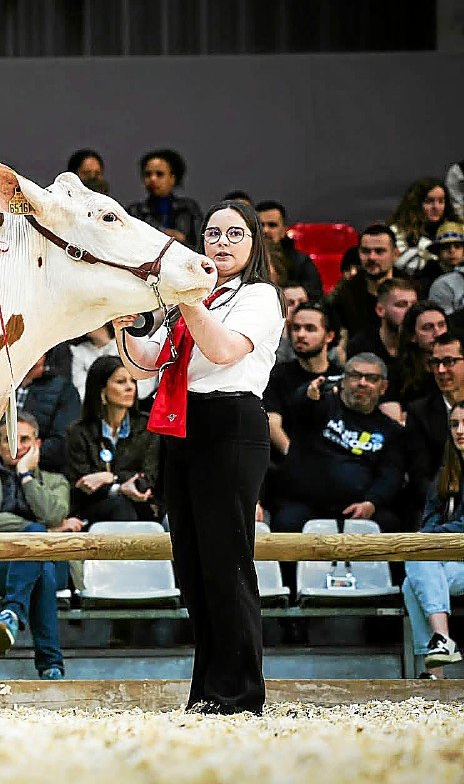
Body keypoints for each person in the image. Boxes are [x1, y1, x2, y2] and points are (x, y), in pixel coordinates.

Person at [115, 199, 284, 714]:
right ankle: (208, 694)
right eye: (213, 234)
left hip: (230, 423)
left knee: (226, 561)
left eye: (235, 234)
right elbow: (146, 363)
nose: (221, 243)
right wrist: (125, 326)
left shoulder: (259, 296)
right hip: (182, 425)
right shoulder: (200, 299)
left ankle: (239, 694)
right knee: (191, 564)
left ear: (254, 244)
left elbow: (225, 351)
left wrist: (189, 300)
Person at [0, 412, 76, 680]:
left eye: (24, 439)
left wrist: (25, 475)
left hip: (53, 564)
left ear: (37, 444)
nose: (16, 446)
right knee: (39, 561)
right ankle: (51, 667)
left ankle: (11, 612)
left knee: (43, 566)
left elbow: (54, 513)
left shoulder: (55, 481)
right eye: (9, 439)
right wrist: (38, 532)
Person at [273, 353, 407, 534]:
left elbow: (391, 474)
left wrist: (372, 502)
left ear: (383, 387)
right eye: (354, 376)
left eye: (371, 378)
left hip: (359, 508)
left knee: (390, 525)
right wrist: (309, 394)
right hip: (307, 504)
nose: (362, 382)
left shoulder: (390, 430)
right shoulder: (322, 405)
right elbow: (300, 405)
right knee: (286, 522)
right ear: (343, 380)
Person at [402, 400, 464, 677]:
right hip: (450, 563)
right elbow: (429, 520)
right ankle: (439, 654)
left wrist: (427, 539)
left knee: (419, 559)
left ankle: (439, 650)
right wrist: (427, 538)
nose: (459, 430)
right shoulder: (447, 472)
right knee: (411, 581)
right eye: (454, 424)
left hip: (454, 558)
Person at [64, 356, 159, 525]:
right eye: (121, 382)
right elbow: (81, 484)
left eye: (132, 381)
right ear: (102, 389)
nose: (130, 387)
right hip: (94, 509)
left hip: (141, 504)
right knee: (120, 506)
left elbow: (149, 476)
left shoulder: (148, 427)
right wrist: (120, 488)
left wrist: (111, 478)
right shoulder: (79, 432)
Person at [264, 301, 343, 456]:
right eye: (296, 328)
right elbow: (272, 423)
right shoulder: (277, 375)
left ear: (329, 336)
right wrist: (294, 458)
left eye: (310, 329)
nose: (300, 334)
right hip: (289, 461)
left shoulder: (341, 376)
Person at [404, 334, 464, 517]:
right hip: (440, 504)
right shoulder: (419, 412)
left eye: (449, 361)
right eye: (435, 363)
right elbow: (419, 475)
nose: (440, 370)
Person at [327, 224, 397, 340]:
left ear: (395, 254)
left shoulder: (412, 290)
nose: (372, 257)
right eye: (365, 251)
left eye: (379, 251)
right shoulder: (344, 295)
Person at [125, 149, 202, 245]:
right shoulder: (135, 211)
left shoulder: (189, 209)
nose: (152, 179)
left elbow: (200, 245)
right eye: (148, 174)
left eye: (159, 174)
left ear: (173, 178)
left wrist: (182, 240)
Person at [390, 178, 459, 286]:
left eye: (441, 201)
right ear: (415, 203)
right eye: (429, 201)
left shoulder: (455, 230)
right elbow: (401, 265)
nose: (436, 207)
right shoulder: (397, 231)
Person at [345, 278, 418, 375]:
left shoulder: (421, 344)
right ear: (380, 310)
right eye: (401, 305)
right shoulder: (361, 346)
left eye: (414, 305)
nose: (410, 311)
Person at [256, 200, 323, 299]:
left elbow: (315, 292)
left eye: (272, 225)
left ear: (284, 230)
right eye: (260, 225)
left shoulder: (301, 260)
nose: (265, 230)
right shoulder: (240, 260)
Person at [390, 301, 448, 411]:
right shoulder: (397, 374)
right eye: (428, 327)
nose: (438, 333)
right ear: (412, 336)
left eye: (441, 325)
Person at [68, 321, 118, 400]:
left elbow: (141, 390)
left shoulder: (122, 346)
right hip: (92, 403)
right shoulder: (79, 351)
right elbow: (80, 385)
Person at [426, 222, 464, 314]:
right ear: (438, 252)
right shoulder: (427, 278)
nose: (452, 251)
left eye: (457, 246)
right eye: (446, 247)